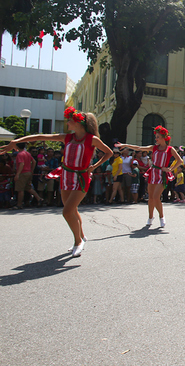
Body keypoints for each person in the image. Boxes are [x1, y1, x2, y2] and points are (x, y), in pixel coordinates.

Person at [0, 106, 112, 256]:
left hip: (81, 178)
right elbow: (40, 137)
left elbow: (108, 152)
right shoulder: (67, 137)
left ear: (77, 122)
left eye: (69, 121)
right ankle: (83, 235)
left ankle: (78, 241)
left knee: (67, 211)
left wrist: (94, 166)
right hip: (66, 175)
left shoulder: (92, 139)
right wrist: (16, 142)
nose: (67, 123)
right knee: (72, 209)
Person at [115, 126, 181, 227]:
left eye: (158, 137)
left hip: (162, 174)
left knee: (156, 197)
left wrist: (170, 169)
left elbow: (180, 161)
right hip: (153, 172)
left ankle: (161, 216)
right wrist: (126, 145)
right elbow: (138, 148)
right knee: (151, 197)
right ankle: (150, 217)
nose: (156, 139)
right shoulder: (153, 148)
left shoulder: (170, 149)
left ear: (164, 137)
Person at [10, 142, 44, 209]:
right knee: (28, 188)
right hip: (28, 172)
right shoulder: (27, 153)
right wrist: (31, 170)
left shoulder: (20, 154)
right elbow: (34, 161)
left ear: (17, 147)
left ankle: (19, 204)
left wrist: (17, 174)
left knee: (20, 189)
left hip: (22, 173)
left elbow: (21, 164)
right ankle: (39, 198)